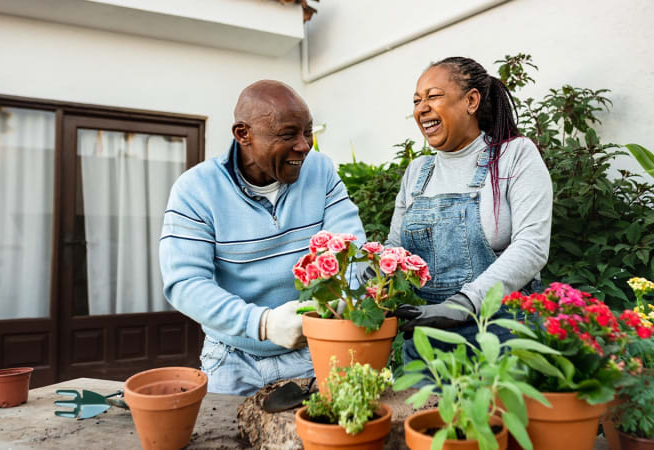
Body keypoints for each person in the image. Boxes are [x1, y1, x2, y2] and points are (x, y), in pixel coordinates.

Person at [159, 80, 365, 396]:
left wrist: (340, 302)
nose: (304, 145)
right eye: (288, 134)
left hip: (311, 350)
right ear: (244, 134)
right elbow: (185, 284)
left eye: (307, 132)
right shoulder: (196, 190)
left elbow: (351, 251)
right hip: (230, 358)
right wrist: (263, 323)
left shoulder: (320, 171)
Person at [389, 57, 553, 351]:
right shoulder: (417, 172)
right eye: (416, 100)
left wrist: (465, 303)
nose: (421, 108)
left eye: (433, 96)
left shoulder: (514, 155)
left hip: (504, 331)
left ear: (472, 101)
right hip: (427, 338)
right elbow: (395, 250)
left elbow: (532, 246)